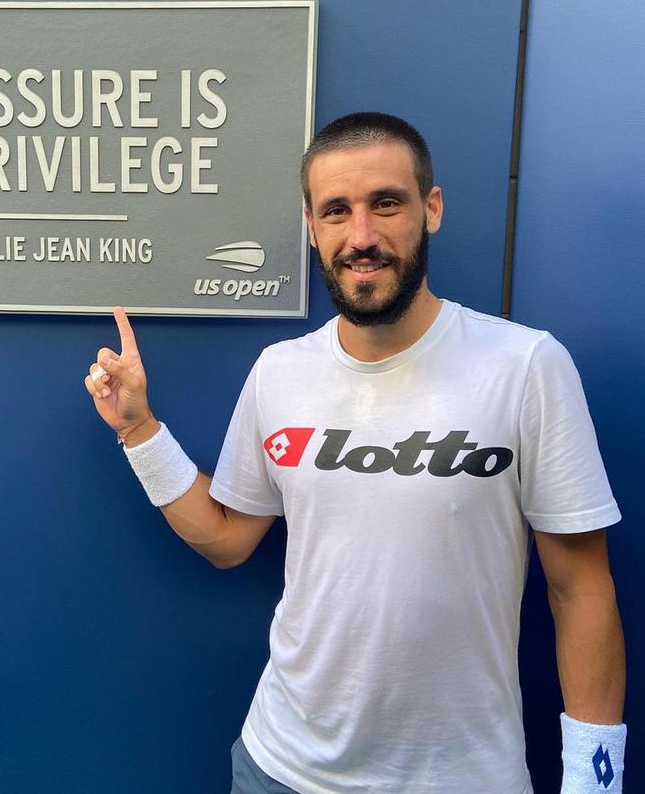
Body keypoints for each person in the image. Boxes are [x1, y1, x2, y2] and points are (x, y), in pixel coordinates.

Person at [84, 112, 626, 794]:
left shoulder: (525, 367)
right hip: (279, 769)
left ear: (431, 209)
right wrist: (139, 431)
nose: (361, 236)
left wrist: (595, 781)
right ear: (312, 227)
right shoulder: (279, 372)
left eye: (386, 203)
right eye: (336, 211)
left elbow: (581, 589)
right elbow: (225, 539)